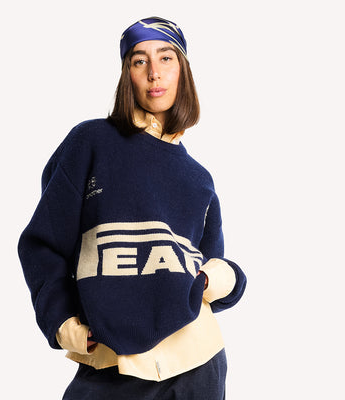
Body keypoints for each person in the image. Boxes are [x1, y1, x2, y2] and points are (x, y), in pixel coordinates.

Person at [18, 16, 247, 400]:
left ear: (183, 71)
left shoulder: (199, 178)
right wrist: (62, 323)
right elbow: (42, 244)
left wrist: (218, 279)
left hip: (197, 364)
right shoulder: (91, 141)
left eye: (166, 58)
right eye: (140, 61)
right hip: (111, 366)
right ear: (128, 74)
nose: (154, 72)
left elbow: (208, 265)